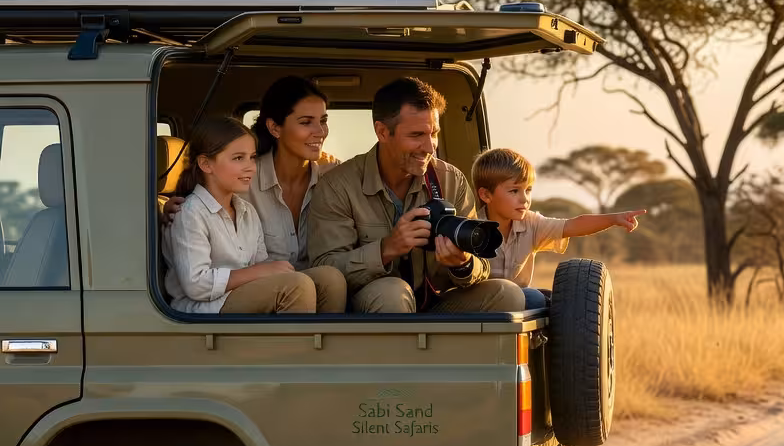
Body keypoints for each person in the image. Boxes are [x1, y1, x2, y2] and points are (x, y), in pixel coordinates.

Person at [306, 77, 525, 314]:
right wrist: (386, 249)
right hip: (371, 306)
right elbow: (326, 271)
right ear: (382, 132)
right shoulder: (338, 186)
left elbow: (482, 261)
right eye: (417, 135)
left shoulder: (451, 180)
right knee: (392, 293)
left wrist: (463, 263)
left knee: (508, 294)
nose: (430, 147)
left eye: (434, 133)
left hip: (436, 300)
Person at [162, 116, 347, 314]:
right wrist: (259, 272)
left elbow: (260, 263)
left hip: (244, 293)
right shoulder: (189, 213)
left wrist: (269, 269)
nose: (251, 167)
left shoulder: (247, 210)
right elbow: (196, 284)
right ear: (206, 164)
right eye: (238, 158)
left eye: (252, 157)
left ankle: (321, 336)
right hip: (205, 308)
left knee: (331, 279)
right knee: (296, 286)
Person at [163, 76, 341, 272]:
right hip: (262, 287)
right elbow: (199, 217)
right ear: (274, 128)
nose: (320, 131)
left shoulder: (336, 177)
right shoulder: (240, 179)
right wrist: (169, 211)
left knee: (331, 278)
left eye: (323, 121)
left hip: (319, 284)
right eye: (306, 122)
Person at [470, 147, 646, 309]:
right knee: (534, 298)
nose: (524, 199)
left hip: (521, 302)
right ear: (486, 195)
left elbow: (573, 225)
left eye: (528, 190)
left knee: (552, 301)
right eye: (514, 191)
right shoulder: (469, 228)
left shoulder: (532, 223)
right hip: (483, 304)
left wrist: (613, 219)